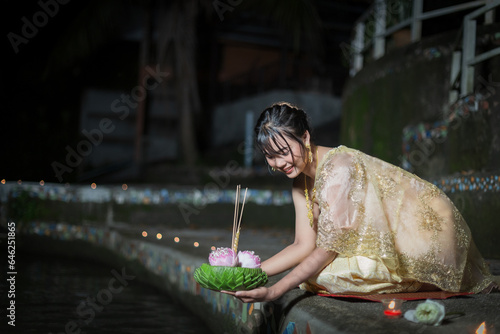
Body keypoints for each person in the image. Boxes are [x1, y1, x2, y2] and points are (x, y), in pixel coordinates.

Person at [225, 101, 499, 303]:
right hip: (397, 235)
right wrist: (249, 274)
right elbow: (303, 245)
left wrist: (274, 291)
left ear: (305, 137)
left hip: (427, 232)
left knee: (324, 276)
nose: (279, 163)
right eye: (270, 156)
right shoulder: (300, 182)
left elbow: (328, 248)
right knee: (312, 276)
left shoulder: (338, 168)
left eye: (284, 151)